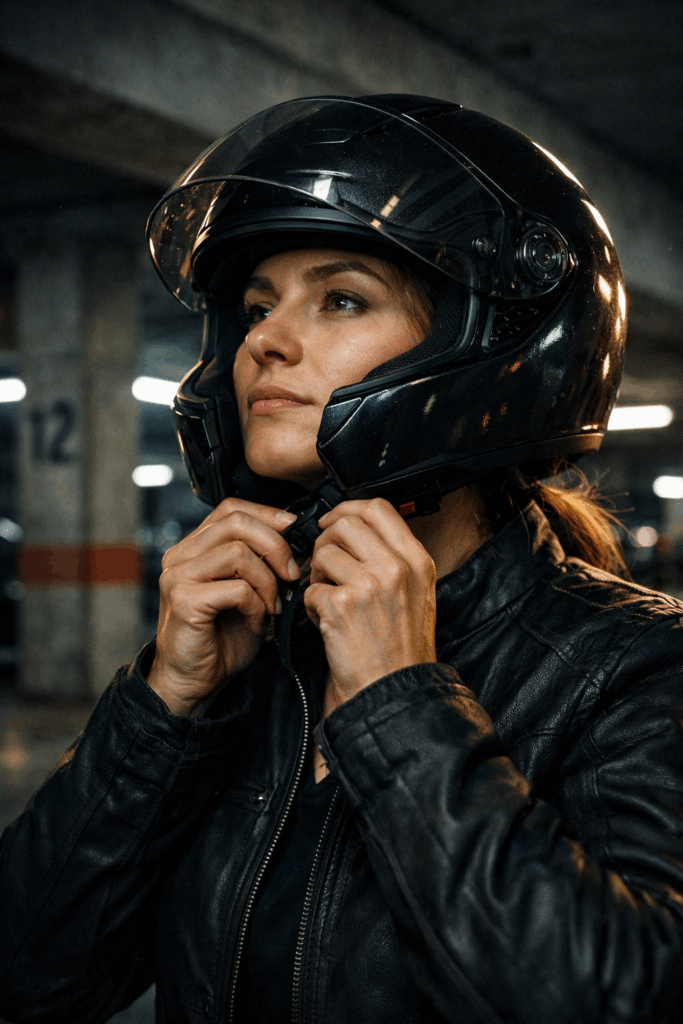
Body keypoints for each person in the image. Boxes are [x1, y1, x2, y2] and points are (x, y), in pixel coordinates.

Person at [1, 94, 683, 1023]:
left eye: (340, 299)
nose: (264, 341)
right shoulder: (250, 651)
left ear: (486, 348)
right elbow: (31, 975)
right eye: (254, 307)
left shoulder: (633, 668)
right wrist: (164, 708)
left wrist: (399, 701)